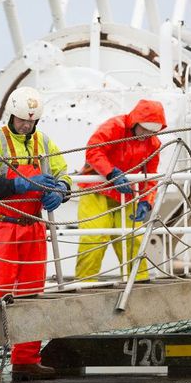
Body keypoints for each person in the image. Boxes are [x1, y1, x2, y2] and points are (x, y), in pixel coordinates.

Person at [0, 86, 71, 382]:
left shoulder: (44, 142)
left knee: (31, 294)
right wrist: (21, 184)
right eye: (21, 120)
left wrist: (62, 191)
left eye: (31, 121)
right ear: (11, 116)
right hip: (2, 225)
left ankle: (26, 360)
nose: (26, 125)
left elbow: (64, 173)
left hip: (33, 227)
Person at [75, 99, 167, 282]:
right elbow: (93, 150)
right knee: (93, 238)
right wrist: (112, 173)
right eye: (144, 129)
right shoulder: (114, 127)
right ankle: (84, 285)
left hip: (125, 195)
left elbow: (150, 176)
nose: (146, 135)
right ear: (135, 122)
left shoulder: (153, 144)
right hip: (96, 191)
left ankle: (138, 284)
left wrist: (146, 202)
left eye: (152, 131)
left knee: (133, 240)